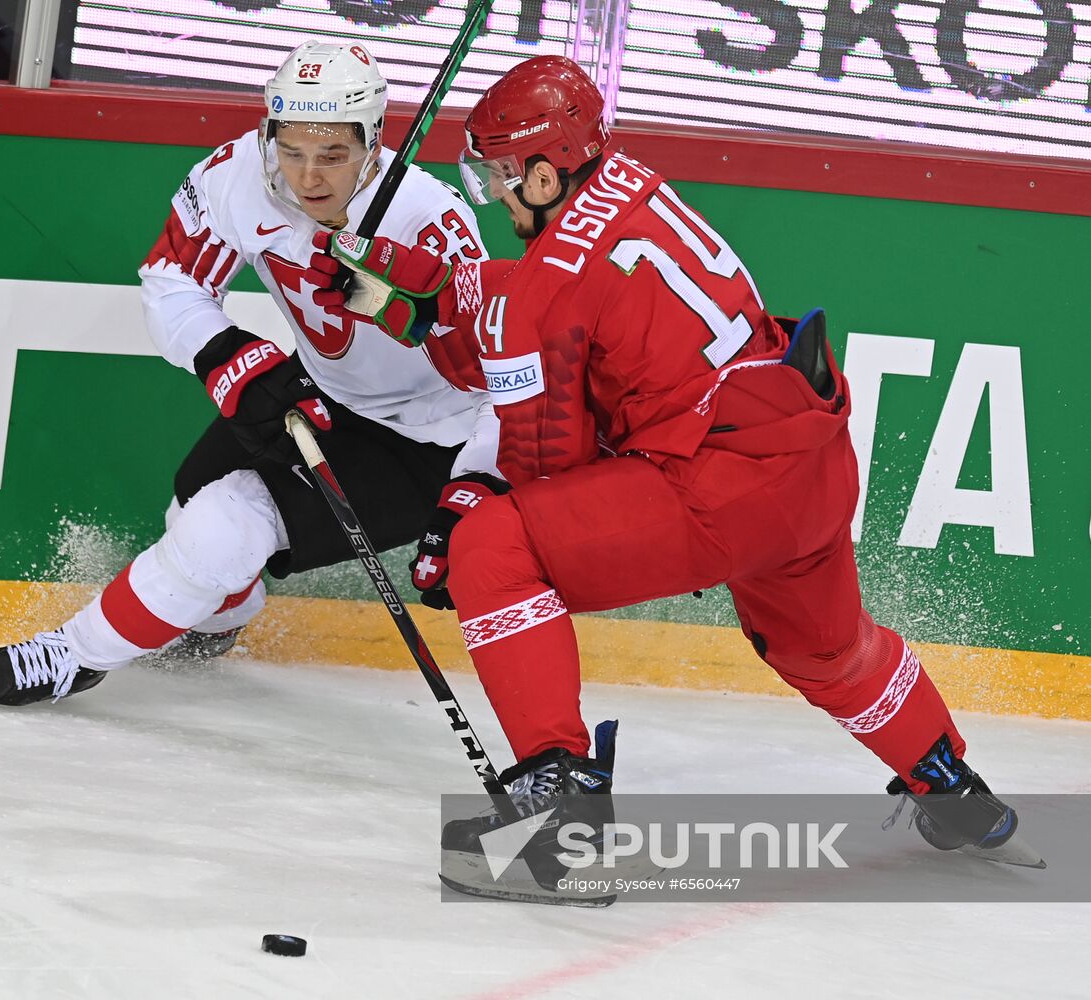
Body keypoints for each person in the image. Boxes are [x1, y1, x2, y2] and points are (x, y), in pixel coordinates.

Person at [307, 55, 1037, 901]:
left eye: (504, 177)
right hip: (806, 456)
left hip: (715, 483)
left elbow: (547, 457)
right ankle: (948, 785)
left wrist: (460, 508)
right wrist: (415, 294)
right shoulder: (627, 183)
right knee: (823, 648)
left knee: (496, 546)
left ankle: (562, 823)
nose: (497, 196)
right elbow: (546, 296)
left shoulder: (544, 286)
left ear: (546, 172)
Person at [0, 40, 494, 705]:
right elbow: (172, 277)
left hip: (427, 440)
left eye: (333, 155)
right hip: (326, 390)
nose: (308, 177)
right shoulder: (236, 174)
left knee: (222, 526)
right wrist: (225, 354)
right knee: (187, 506)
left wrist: (474, 487)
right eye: (291, 150)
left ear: (373, 144)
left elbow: (498, 371)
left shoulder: (430, 222)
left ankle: (71, 656)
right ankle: (221, 619)